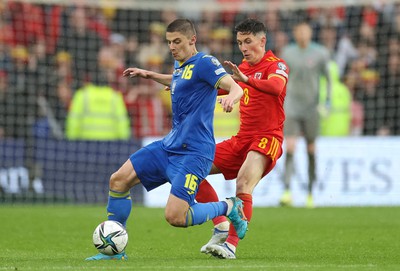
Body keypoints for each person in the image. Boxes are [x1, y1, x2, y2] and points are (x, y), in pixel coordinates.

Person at [85, 18, 246, 261]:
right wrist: (149, 75)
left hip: (195, 153)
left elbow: (235, 87)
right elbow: (179, 79)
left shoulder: (205, 62)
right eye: (169, 42)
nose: (172, 47)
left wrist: (231, 98)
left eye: (177, 41)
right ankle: (115, 252)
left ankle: (230, 207)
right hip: (169, 146)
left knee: (176, 217)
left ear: (192, 40)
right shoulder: (181, 64)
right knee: (118, 180)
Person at [194, 18, 290, 259]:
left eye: (248, 41)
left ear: (262, 40)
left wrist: (246, 81)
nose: (244, 48)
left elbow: (276, 88)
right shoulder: (242, 69)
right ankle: (221, 225)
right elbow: (214, 87)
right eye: (239, 43)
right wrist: (178, 83)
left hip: (267, 138)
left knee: (243, 184)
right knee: (191, 170)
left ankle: (231, 245)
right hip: (241, 139)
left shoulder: (276, 65)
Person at [279, 21, 332, 208]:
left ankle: (310, 193)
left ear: (310, 33)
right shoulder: (287, 53)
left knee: (311, 148)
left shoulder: (320, 53)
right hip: (292, 106)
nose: (302, 34)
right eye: (299, 31)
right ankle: (286, 191)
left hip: (311, 108)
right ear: (295, 33)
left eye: (305, 31)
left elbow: (328, 78)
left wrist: (327, 101)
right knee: (290, 147)